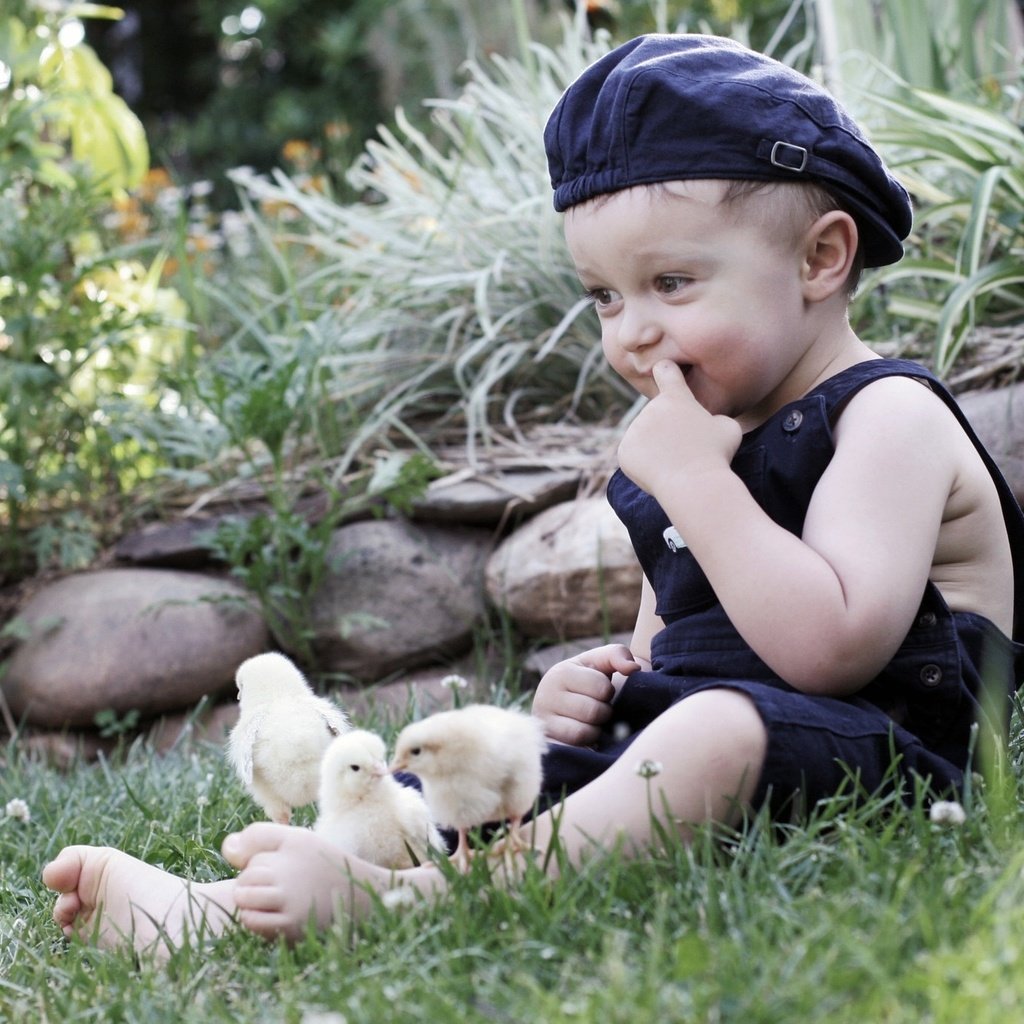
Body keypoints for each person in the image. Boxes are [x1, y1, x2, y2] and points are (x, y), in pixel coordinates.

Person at [42, 32, 1024, 955]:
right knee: (481, 762)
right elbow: (675, 649)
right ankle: (223, 908)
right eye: (604, 295)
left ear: (819, 258)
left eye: (670, 282)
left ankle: (418, 901)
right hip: (708, 755)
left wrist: (691, 479)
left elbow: (827, 649)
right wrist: (595, 695)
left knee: (709, 731)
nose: (629, 332)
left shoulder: (885, 416)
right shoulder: (701, 440)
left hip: (891, 761)